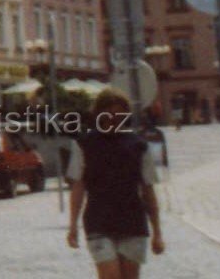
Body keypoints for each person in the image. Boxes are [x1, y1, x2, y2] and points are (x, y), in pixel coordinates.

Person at [67, 90, 165, 278]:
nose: (113, 120)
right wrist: (73, 225)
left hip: (133, 222)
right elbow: (78, 186)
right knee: (110, 275)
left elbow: (148, 189)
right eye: (109, 115)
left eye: (119, 115)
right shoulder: (84, 144)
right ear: (99, 115)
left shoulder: (138, 146)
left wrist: (157, 232)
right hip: (98, 221)